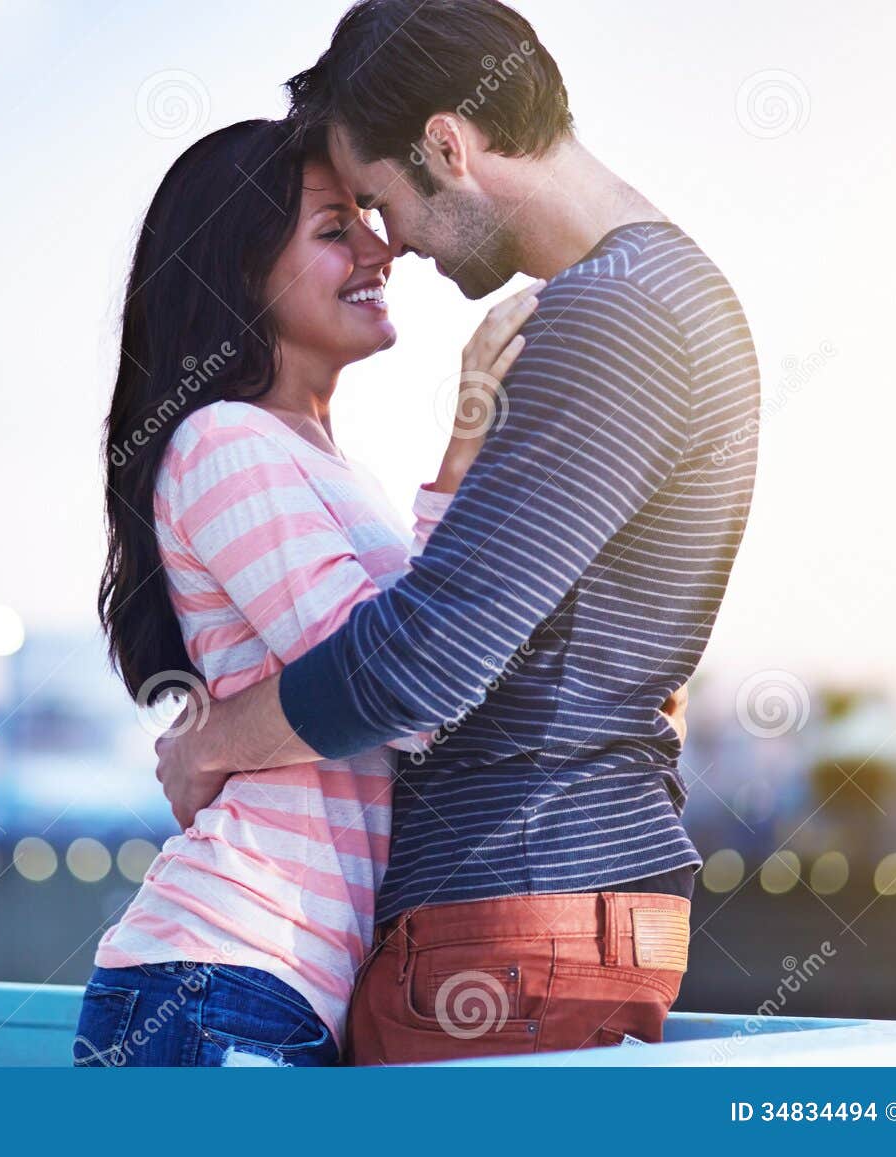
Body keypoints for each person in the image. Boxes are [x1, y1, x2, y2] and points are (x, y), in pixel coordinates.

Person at [152, 0, 760, 1065]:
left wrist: (210, 739)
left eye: (381, 201)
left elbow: (422, 663)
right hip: (588, 905)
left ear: (448, 143)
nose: (393, 244)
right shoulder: (684, 299)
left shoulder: (603, 317)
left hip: (509, 912)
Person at [75, 116, 562, 1066]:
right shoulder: (225, 443)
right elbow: (397, 683)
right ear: (239, 270)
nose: (381, 248)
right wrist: (464, 449)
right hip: (222, 976)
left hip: (273, 988)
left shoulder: (322, 465)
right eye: (334, 229)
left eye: (367, 220)